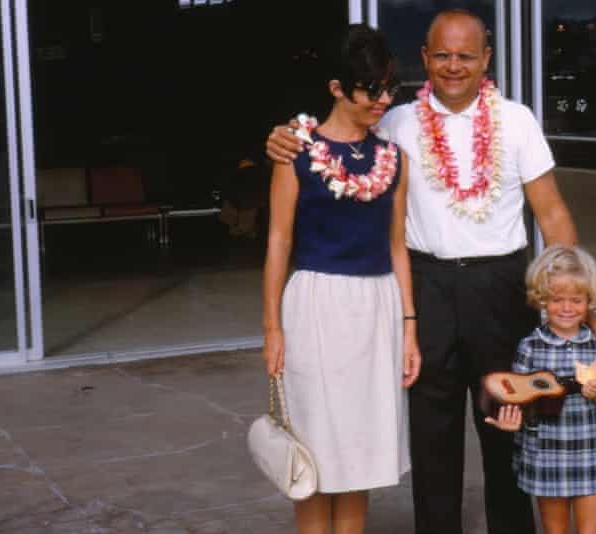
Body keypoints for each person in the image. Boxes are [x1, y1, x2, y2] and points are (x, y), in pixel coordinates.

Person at [264, 10, 596, 534]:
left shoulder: (516, 119)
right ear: (425, 59)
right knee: (432, 431)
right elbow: (337, 125)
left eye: (466, 56)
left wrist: (582, 304)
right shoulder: (396, 120)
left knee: (507, 417)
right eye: (442, 55)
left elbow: (553, 213)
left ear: (486, 60)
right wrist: (286, 135)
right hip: (426, 285)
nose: (454, 66)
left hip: (500, 286)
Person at [261, 24, 420, 534]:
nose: (381, 100)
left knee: (359, 452)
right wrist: (271, 328)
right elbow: (279, 241)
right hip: (315, 304)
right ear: (336, 87)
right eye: (370, 89)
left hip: (377, 307)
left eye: (387, 88)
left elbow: (397, 246)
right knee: (312, 450)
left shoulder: (393, 160)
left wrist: (409, 326)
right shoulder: (296, 152)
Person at [485, 245, 596, 534]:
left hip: (589, 453)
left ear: (590, 301)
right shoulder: (530, 347)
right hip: (545, 454)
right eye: (557, 299)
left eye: (576, 300)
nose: (567, 308)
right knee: (554, 530)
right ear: (542, 299)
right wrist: (511, 421)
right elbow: (520, 398)